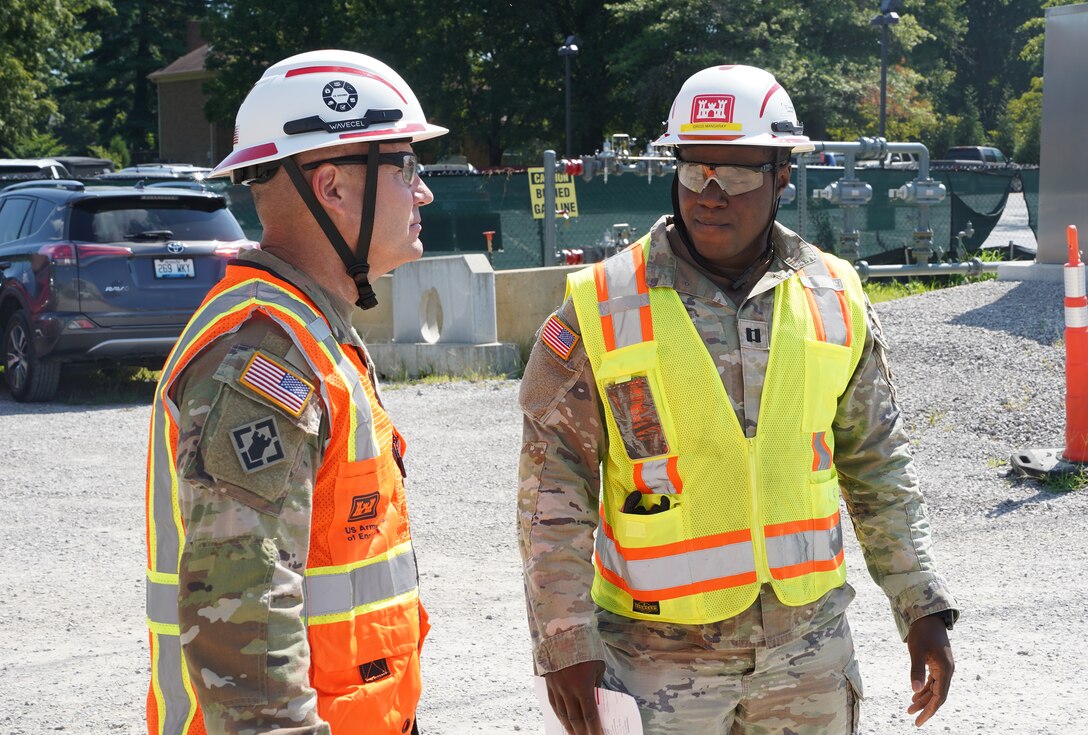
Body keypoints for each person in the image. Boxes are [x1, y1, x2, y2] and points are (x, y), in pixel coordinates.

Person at [517, 64, 959, 735]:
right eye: (695, 169)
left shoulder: (835, 297)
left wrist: (920, 604)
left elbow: (877, 464)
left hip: (806, 657)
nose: (713, 192)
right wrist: (564, 640)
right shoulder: (600, 307)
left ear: (784, 174)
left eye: (739, 171)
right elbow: (553, 493)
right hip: (655, 664)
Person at [144, 50, 447, 735]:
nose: (422, 191)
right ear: (333, 186)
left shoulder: (309, 331)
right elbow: (241, 620)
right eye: (405, 166)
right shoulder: (265, 354)